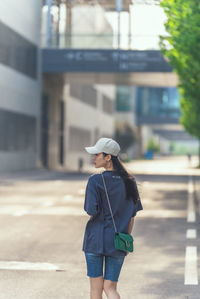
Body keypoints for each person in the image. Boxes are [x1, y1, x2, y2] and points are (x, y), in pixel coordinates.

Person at [82, 137, 143, 299]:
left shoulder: (95, 181)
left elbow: (90, 210)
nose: (93, 158)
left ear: (108, 157)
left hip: (95, 241)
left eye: (97, 154)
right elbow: (132, 216)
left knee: (95, 290)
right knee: (110, 287)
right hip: (118, 242)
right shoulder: (130, 182)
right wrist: (126, 239)